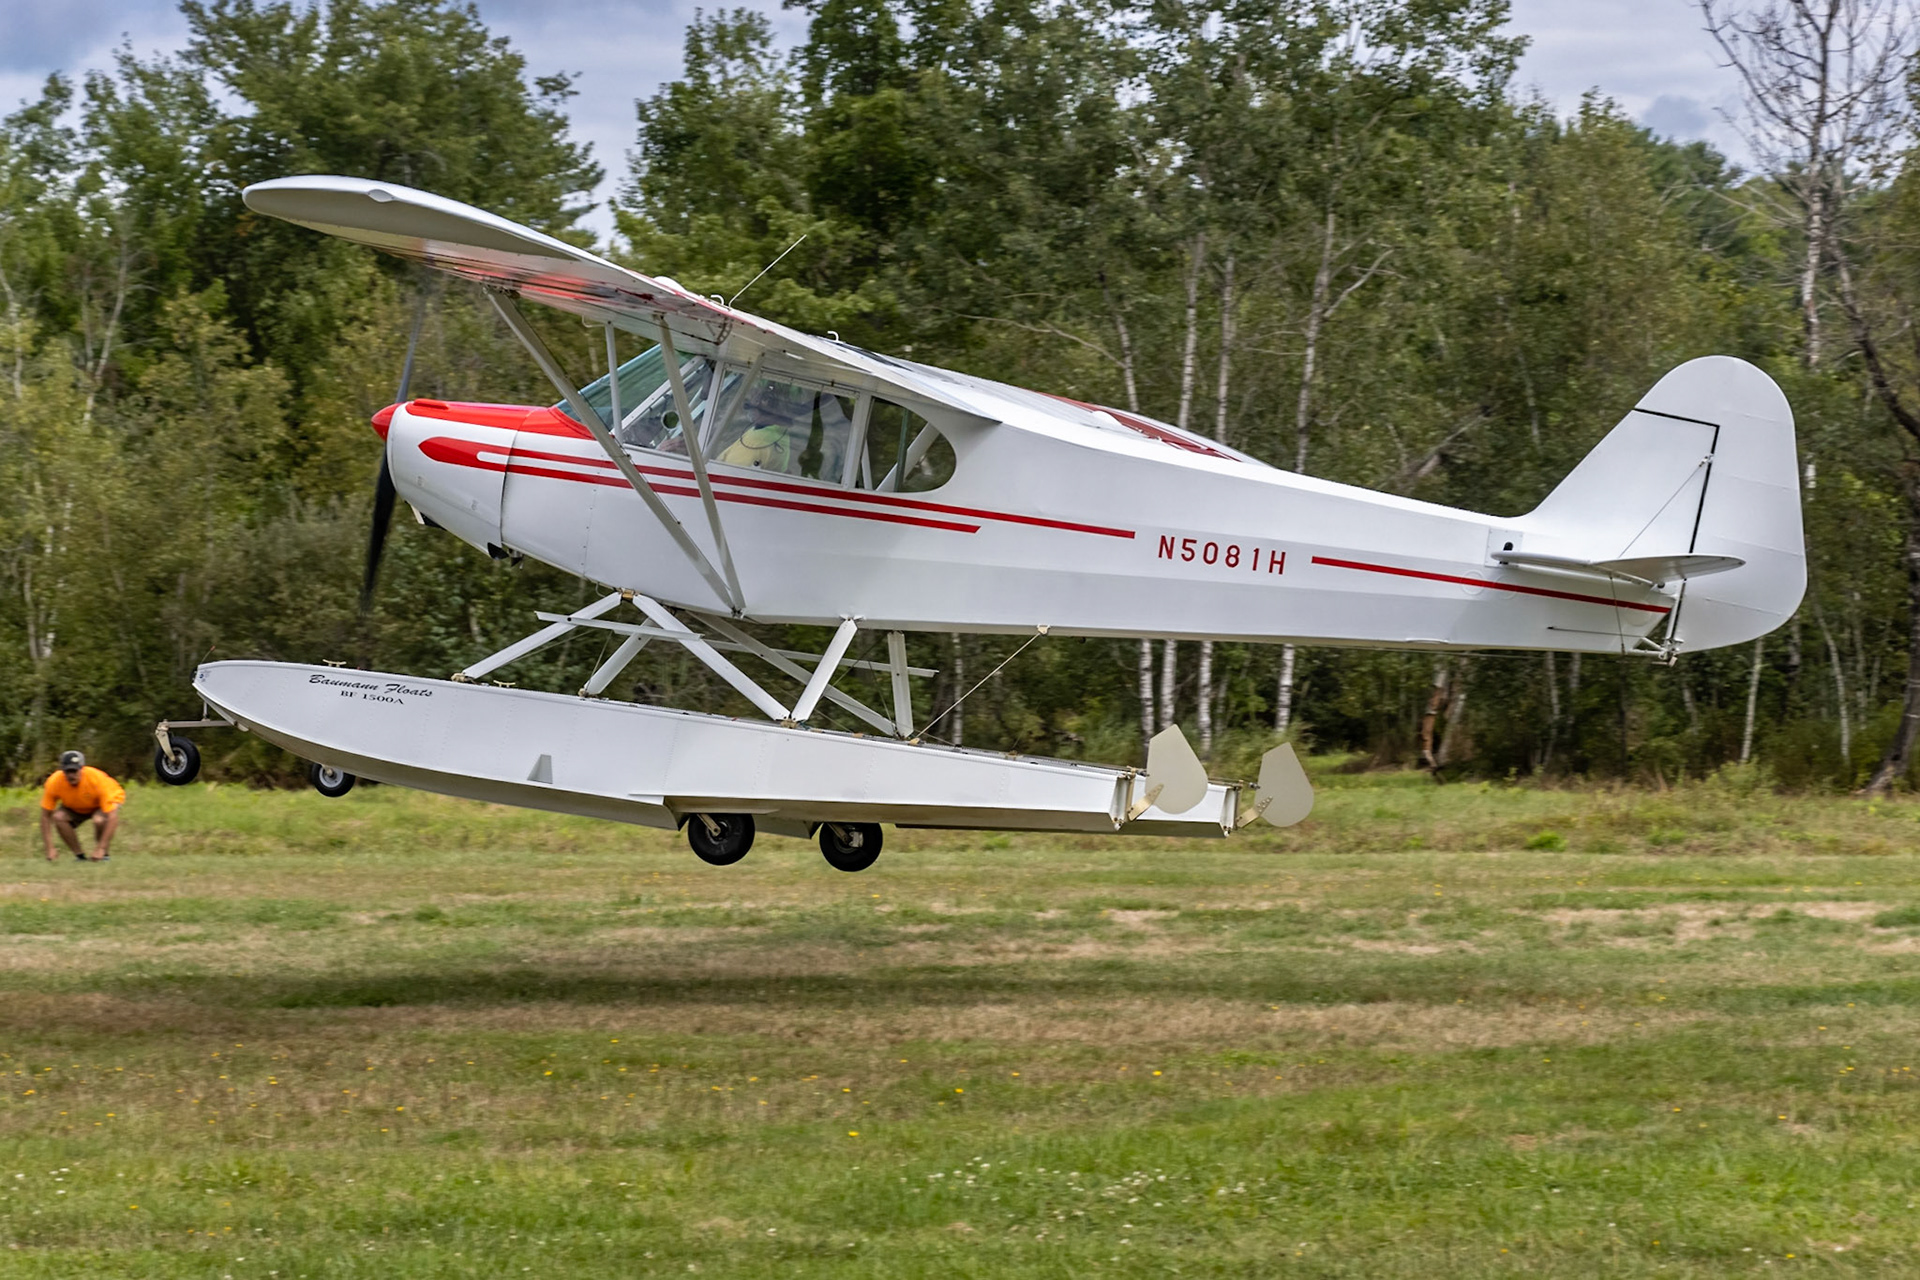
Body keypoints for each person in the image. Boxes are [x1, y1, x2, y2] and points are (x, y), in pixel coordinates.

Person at [40, 751, 125, 863]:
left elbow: (112, 817)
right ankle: (80, 857)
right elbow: (45, 816)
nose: (71, 775)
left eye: (74, 771)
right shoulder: (54, 782)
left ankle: (104, 855)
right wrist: (49, 848)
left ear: (82, 769)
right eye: (68, 771)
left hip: (102, 803)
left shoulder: (96, 779)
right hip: (76, 805)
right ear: (62, 771)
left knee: (99, 820)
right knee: (58, 817)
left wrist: (101, 848)